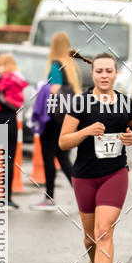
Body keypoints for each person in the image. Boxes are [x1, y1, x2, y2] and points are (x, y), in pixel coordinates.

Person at [59, 51, 132, 263]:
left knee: (104, 231)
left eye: (109, 71)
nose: (104, 76)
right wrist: (86, 131)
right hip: (84, 176)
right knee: (89, 239)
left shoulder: (126, 103)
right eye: (99, 71)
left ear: (116, 74)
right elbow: (63, 142)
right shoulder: (80, 103)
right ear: (93, 73)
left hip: (115, 173)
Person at [31, 31, 80, 211]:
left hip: (52, 117)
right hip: (67, 117)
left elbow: (54, 90)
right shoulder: (72, 66)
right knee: (64, 158)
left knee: (48, 157)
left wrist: (42, 87)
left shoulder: (55, 64)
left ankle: (49, 198)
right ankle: (83, 194)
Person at [0, 53, 28, 209]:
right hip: (12, 122)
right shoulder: (17, 79)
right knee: (9, 161)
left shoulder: (0, 80)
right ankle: (7, 198)